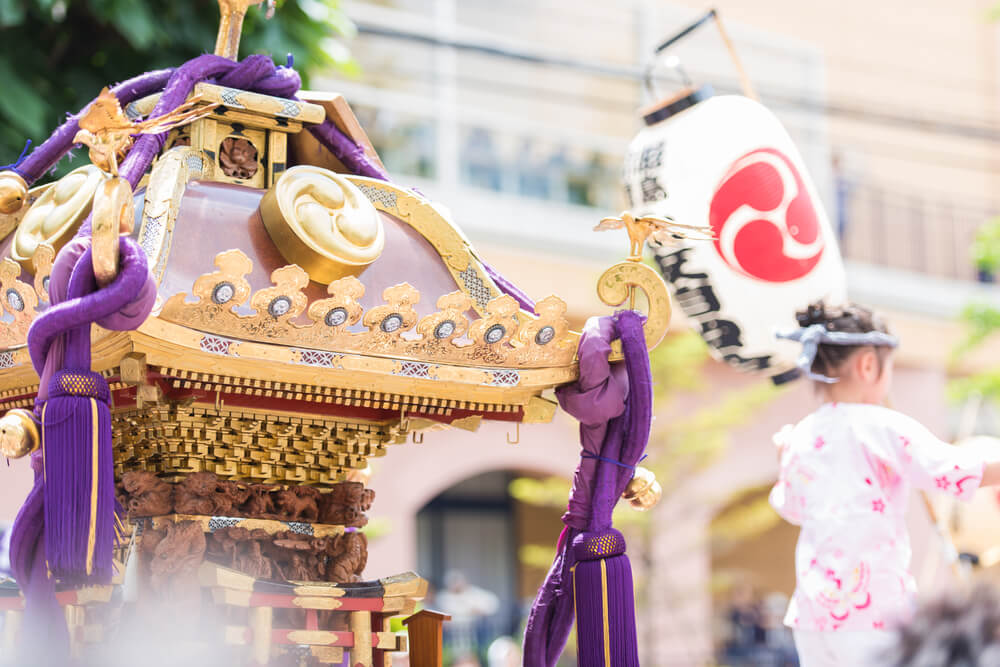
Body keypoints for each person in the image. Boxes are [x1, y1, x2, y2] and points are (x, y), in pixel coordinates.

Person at [769, 301, 1000, 667]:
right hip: (871, 613)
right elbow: (951, 469)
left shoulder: (800, 436)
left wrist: (784, 460)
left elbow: (791, 507)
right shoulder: (881, 426)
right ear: (868, 365)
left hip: (812, 617)